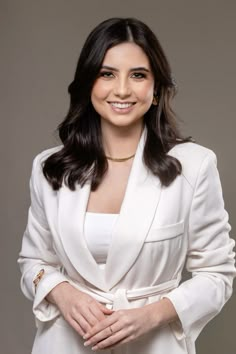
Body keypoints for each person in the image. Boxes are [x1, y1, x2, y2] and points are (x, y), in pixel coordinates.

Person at [18, 17, 235, 354]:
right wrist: (63, 293)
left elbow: (217, 273)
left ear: (157, 88)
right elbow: (34, 261)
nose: (121, 90)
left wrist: (150, 316)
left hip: (154, 344)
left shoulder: (194, 165)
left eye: (138, 75)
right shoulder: (50, 167)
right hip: (63, 343)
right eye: (107, 74)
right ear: (89, 83)